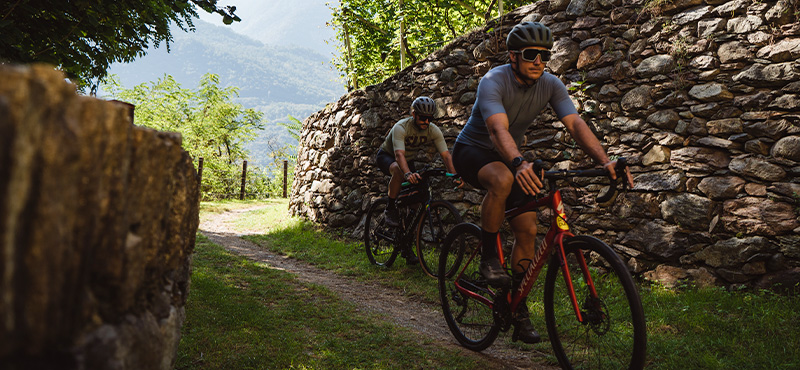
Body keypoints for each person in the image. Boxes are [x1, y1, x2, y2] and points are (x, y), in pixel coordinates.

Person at [451, 21, 634, 343]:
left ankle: (516, 306)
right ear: (513, 56)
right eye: (531, 54)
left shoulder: (551, 84)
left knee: (529, 230)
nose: (538, 61)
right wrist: (519, 162)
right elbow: (497, 131)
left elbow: (575, 124)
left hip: (510, 156)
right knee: (504, 177)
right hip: (472, 152)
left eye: (544, 55)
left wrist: (605, 161)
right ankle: (489, 258)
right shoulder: (493, 81)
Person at [375, 96, 460, 265]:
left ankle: (406, 243)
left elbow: (445, 155)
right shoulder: (401, 127)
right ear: (414, 114)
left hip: (408, 160)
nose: (426, 121)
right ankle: (390, 207)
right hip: (388, 156)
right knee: (399, 171)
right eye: (422, 117)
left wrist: (454, 175)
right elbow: (399, 155)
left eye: (430, 118)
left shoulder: (433, 130)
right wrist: (408, 174)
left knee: (415, 203)